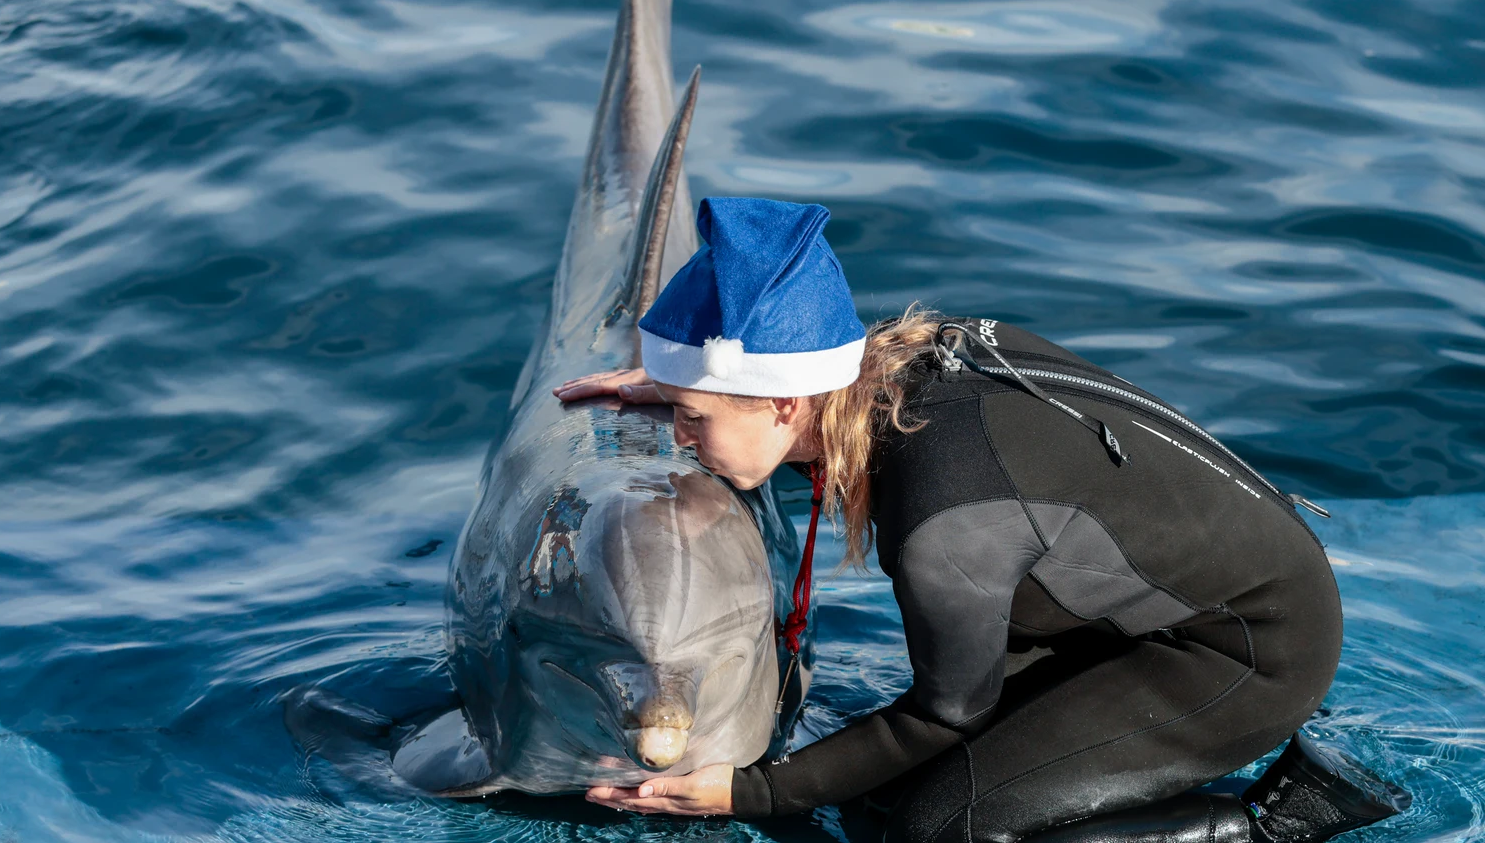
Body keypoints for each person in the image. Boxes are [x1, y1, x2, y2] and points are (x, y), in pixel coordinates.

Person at [554, 197, 1410, 843]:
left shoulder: (942, 521)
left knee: (939, 831)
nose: (678, 436)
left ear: (784, 400)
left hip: (1249, 650)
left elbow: (946, 711)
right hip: (1151, 603)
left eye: (690, 414)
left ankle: (1266, 822)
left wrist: (750, 791)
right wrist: (673, 379)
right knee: (873, 798)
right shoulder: (908, 366)